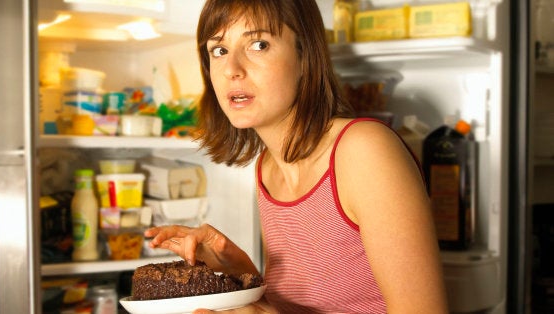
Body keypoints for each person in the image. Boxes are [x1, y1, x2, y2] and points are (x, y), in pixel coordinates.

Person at [144, 0, 449, 313]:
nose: (232, 69)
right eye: (218, 50)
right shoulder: (268, 167)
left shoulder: (364, 150)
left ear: (305, 56)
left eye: (258, 44)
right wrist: (239, 272)